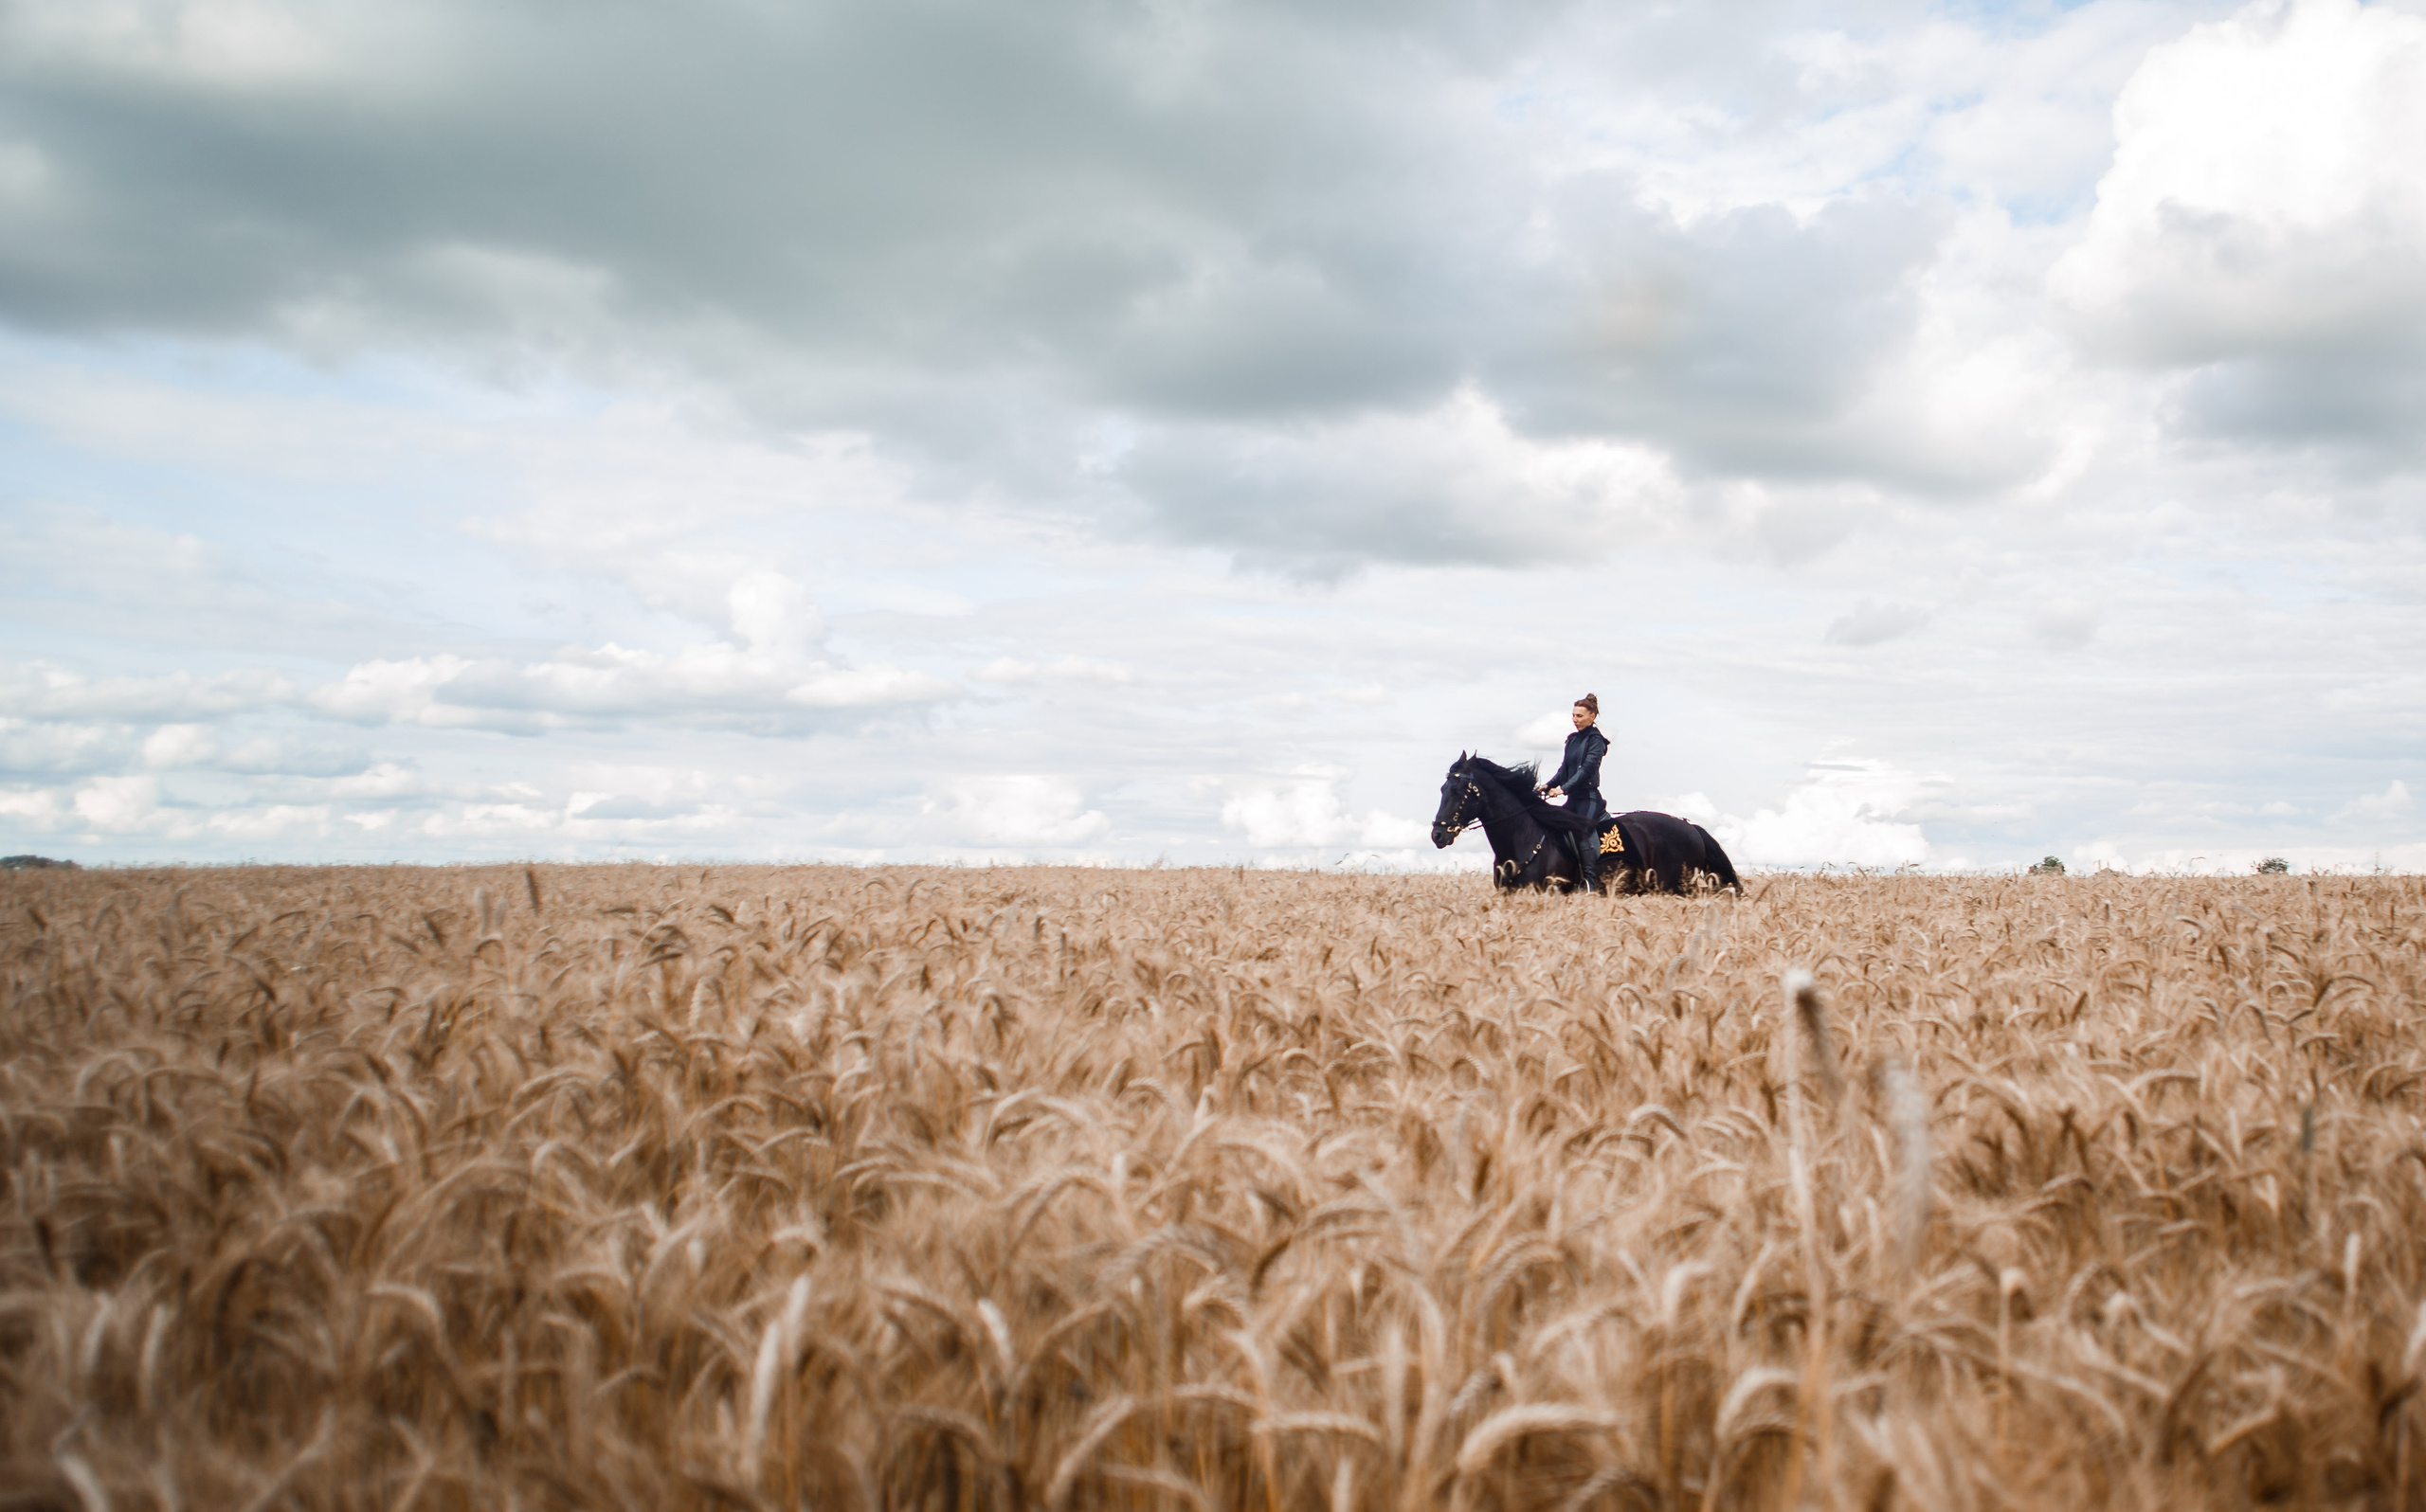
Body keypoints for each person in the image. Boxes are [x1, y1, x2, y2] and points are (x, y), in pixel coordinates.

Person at [1539, 693, 1609, 893]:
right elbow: (1565, 769)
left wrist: (1563, 789)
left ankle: (1590, 883)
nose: (1575, 720)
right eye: (1573, 715)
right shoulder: (1572, 740)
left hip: (1589, 798)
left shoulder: (1597, 741)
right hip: (1573, 800)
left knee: (1581, 831)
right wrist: (1548, 785)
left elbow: (1586, 769)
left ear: (1593, 716)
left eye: (1579, 716)